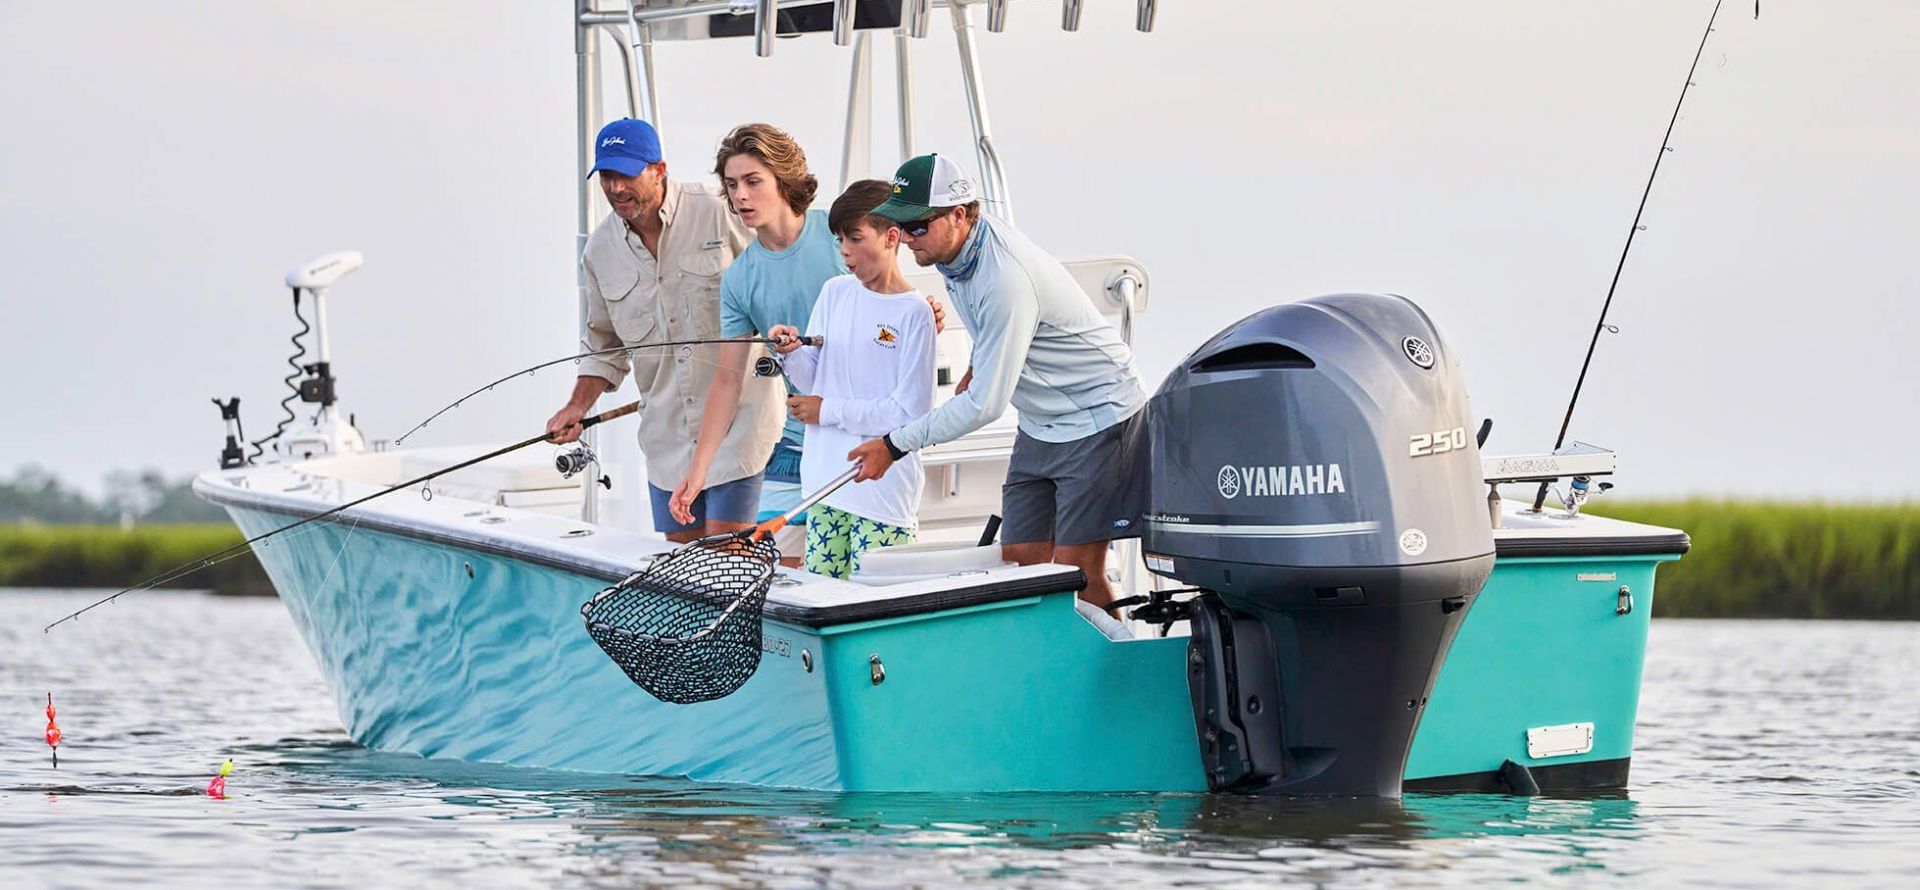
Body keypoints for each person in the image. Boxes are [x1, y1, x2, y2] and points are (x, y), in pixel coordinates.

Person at [845, 154, 1148, 608]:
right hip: (1041, 422)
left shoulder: (1006, 276)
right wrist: (980, 362)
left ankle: (1118, 676)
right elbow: (997, 329)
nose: (907, 239)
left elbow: (986, 406)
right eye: (900, 226)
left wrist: (892, 445)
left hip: (1100, 419)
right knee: (1021, 566)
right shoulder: (951, 252)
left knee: (1076, 577)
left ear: (959, 215)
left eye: (917, 227)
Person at [671, 123, 943, 561]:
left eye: (752, 182)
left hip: (864, 443)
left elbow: (888, 298)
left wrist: (923, 319)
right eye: (731, 185)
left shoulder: (837, 233)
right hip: (798, 443)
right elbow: (727, 382)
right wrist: (698, 470)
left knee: (861, 583)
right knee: (766, 567)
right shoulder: (739, 278)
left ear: (783, 181)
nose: (740, 195)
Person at [545, 118, 784, 543]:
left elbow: (782, 270)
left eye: (627, 174)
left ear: (659, 169)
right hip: (667, 443)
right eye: (607, 175)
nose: (616, 187)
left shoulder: (717, 209)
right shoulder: (599, 250)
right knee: (686, 578)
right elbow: (603, 345)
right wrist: (576, 408)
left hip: (743, 430)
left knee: (730, 563)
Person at [767, 180, 936, 579]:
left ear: (892, 237)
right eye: (840, 238)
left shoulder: (915, 313)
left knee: (879, 614)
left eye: (855, 238)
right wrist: (789, 354)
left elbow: (909, 414)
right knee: (824, 608)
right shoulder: (834, 292)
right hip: (824, 489)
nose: (844, 250)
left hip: (883, 499)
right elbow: (813, 378)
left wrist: (827, 412)